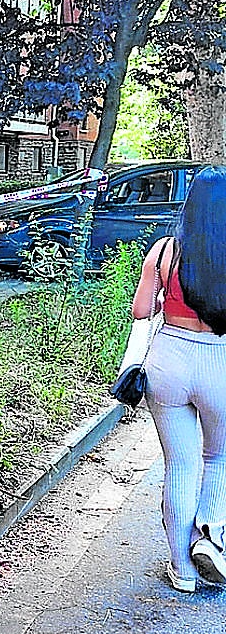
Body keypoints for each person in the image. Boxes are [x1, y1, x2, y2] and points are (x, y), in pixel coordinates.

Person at [132, 166, 226, 593]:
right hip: (220, 361)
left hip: (169, 358)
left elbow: (140, 311)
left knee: (181, 464)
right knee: (219, 459)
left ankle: (182, 571)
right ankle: (209, 537)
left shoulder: (166, 250)